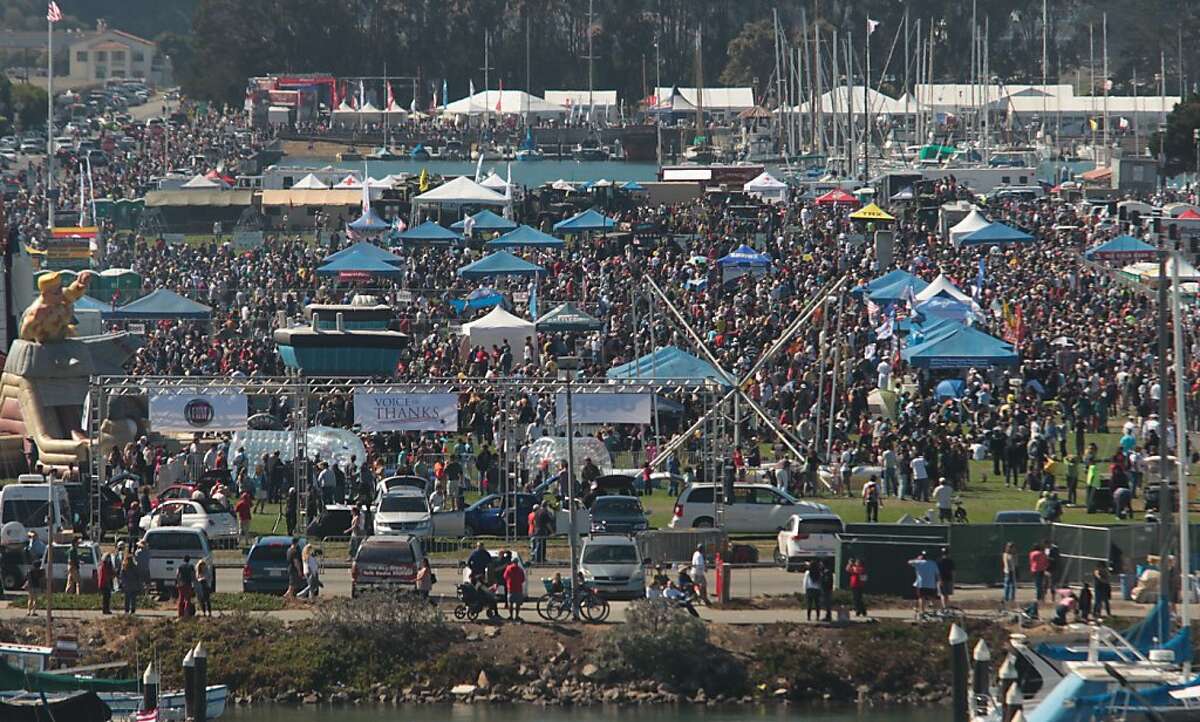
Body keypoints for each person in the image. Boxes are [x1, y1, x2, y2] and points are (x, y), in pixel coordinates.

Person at [908, 551, 940, 615]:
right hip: (931, 584)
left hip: (921, 584)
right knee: (932, 598)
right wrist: (938, 581)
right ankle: (935, 610)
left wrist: (917, 559)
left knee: (921, 597)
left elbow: (909, 562)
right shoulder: (933, 563)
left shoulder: (918, 562)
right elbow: (937, 573)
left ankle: (922, 611)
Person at [502, 554, 526, 621]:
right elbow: (523, 579)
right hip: (518, 588)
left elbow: (505, 577)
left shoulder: (508, 568)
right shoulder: (520, 570)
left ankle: (511, 616)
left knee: (511, 603)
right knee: (517, 604)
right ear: (517, 562)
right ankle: (517, 616)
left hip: (510, 588)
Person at [1002, 542, 1019, 606]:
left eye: (1012, 547)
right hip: (1008, 571)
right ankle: (1006, 598)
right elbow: (1005, 563)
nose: (1012, 549)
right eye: (1010, 547)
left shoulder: (1014, 555)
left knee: (1013, 585)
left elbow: (1016, 564)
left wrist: (1016, 571)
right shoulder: (1005, 554)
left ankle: (1012, 598)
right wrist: (1008, 571)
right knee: (1007, 585)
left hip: (1013, 571)